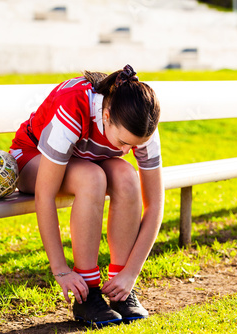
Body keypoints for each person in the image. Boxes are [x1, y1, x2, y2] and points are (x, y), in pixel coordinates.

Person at [9, 64, 164, 326]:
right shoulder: (74, 106)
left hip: (85, 160)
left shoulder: (140, 121)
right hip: (31, 158)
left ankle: (119, 291)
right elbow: (44, 196)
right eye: (124, 143)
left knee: (127, 176)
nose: (128, 150)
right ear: (105, 115)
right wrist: (60, 270)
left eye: (134, 145)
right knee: (92, 178)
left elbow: (156, 202)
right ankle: (87, 292)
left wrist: (130, 274)